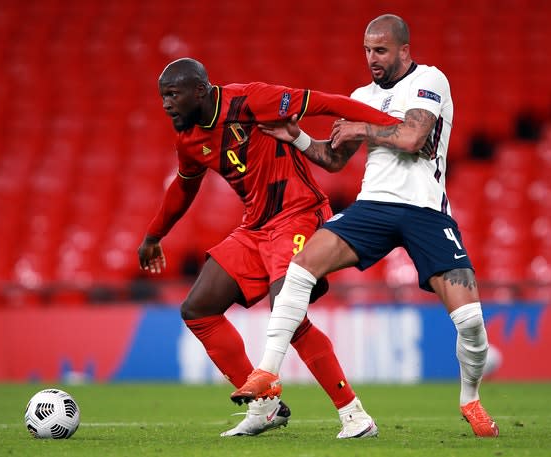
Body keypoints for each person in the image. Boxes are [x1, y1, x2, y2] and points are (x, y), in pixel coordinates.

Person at [231, 14, 500, 438]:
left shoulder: (429, 79)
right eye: (367, 51)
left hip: (425, 210)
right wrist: (298, 137)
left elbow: (415, 139)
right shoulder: (362, 95)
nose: (372, 59)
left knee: (469, 322)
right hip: (372, 206)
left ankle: (471, 399)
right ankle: (267, 371)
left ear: (404, 50)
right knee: (301, 266)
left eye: (381, 50)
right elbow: (336, 159)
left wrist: (361, 127)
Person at [138, 57, 400, 438]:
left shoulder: (251, 100)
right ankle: (266, 406)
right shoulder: (190, 139)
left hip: (298, 214)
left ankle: (354, 414)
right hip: (255, 227)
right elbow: (184, 187)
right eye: (162, 96)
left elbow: (325, 102)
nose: (165, 104)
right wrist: (153, 235)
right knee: (198, 310)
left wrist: (395, 125)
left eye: (172, 95)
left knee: (287, 314)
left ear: (199, 90)